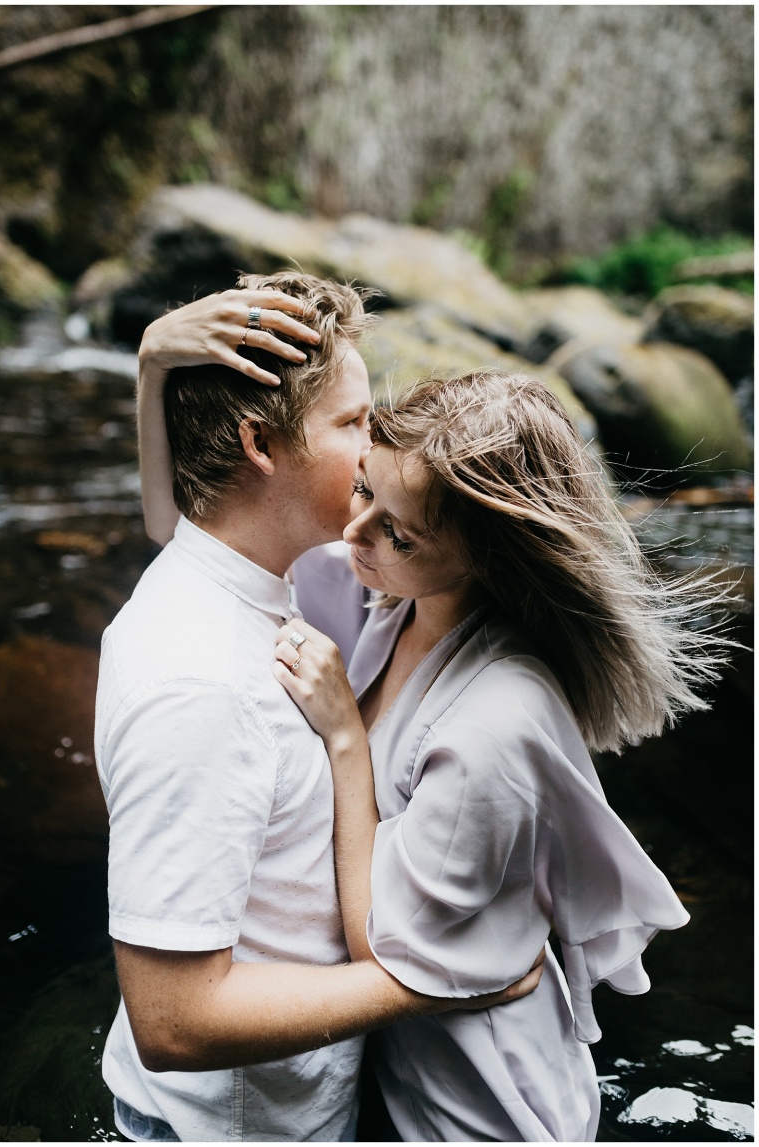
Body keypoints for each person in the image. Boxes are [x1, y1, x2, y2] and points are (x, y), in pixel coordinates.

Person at [96, 273, 541, 1144]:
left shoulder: (223, 568)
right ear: (261, 444)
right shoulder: (203, 683)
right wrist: (438, 978)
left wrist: (155, 364)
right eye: (351, 423)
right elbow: (173, 1020)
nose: (376, 447)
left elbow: (167, 516)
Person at [268, 369, 736, 1141]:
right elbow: (210, 548)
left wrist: (346, 738)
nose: (355, 534)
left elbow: (379, 944)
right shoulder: (402, 597)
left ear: (491, 556)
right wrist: (158, 378)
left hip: (483, 1113)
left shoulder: (497, 725)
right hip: (408, 1083)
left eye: (399, 531)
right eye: (363, 490)